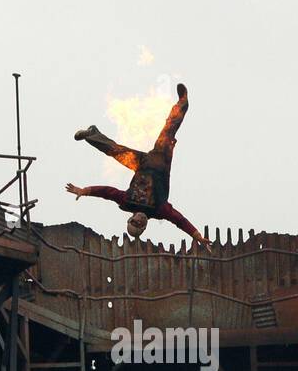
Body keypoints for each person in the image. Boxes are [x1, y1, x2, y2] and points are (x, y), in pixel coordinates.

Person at [65, 83, 211, 251]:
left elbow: (107, 192)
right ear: (145, 225)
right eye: (140, 225)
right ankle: (183, 103)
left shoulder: (128, 202)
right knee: (169, 129)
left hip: (141, 164)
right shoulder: (159, 210)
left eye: (134, 222)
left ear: (130, 218)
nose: (139, 220)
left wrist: (84, 191)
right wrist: (196, 235)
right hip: (160, 160)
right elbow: (179, 220)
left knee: (115, 150)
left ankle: (92, 134)